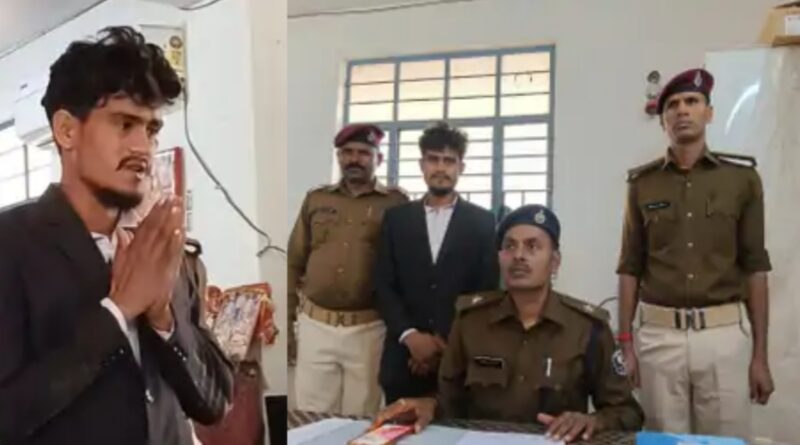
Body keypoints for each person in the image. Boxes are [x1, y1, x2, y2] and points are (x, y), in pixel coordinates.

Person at [0, 27, 233, 445]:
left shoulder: (168, 251)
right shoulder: (11, 246)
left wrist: (162, 317)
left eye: (152, 129)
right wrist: (118, 311)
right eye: (125, 124)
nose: (143, 147)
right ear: (67, 131)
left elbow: (215, 404)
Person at [373, 205, 644, 443]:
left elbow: (628, 413)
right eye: (510, 246)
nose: (519, 256)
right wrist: (428, 405)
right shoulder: (470, 322)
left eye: (532, 246)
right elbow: (450, 401)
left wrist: (593, 421)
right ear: (499, 257)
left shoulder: (587, 328)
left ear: (554, 262)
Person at [616, 68, 774, 439]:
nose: (682, 110)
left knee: (724, 441)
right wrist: (626, 346)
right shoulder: (642, 184)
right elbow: (629, 267)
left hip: (723, 338)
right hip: (659, 337)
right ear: (663, 121)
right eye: (672, 105)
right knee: (664, 439)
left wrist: (760, 356)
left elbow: (756, 268)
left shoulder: (742, 180)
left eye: (692, 101)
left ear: (709, 112)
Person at [288, 123, 408, 416]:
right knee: (311, 417)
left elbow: (406, 269)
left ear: (378, 159)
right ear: (339, 157)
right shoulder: (317, 199)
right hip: (316, 325)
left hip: (369, 330)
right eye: (347, 152)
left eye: (364, 153)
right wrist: (288, 323)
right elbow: (295, 261)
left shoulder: (396, 203)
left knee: (362, 417)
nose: (354, 159)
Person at [374, 122, 499, 403]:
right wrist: (411, 337)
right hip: (402, 359)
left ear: (461, 167)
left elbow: (486, 292)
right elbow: (383, 284)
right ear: (422, 165)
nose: (441, 168)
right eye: (433, 159)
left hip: (459, 361)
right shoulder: (397, 219)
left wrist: (442, 345)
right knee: (398, 426)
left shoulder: (482, 222)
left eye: (449, 161)